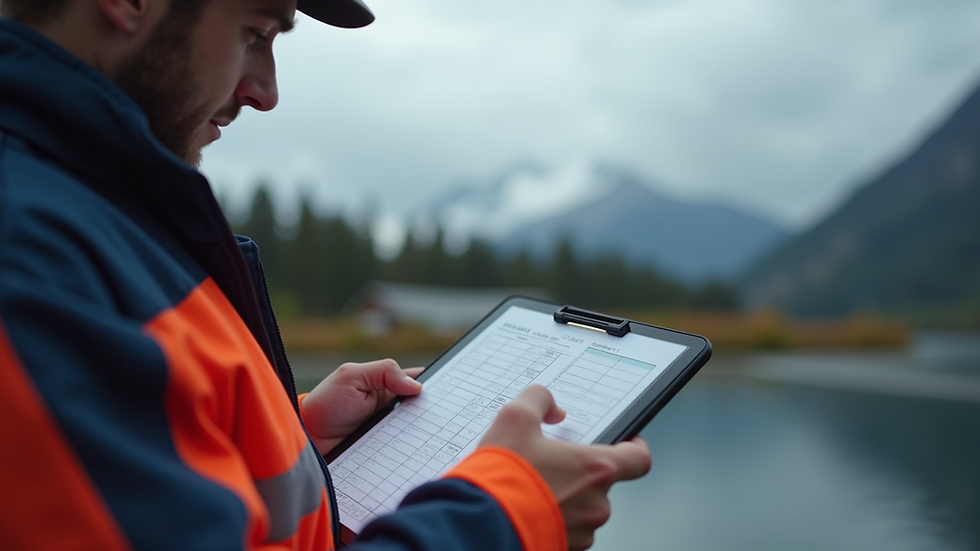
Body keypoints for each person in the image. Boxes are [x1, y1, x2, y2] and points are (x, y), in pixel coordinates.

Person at [0, 0, 652, 549]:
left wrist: (295, 433)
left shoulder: (95, 216)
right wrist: (506, 514)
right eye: (255, 33)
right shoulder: (30, 257)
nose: (265, 91)